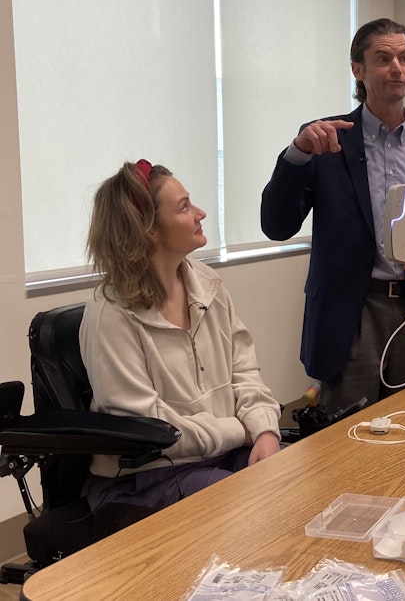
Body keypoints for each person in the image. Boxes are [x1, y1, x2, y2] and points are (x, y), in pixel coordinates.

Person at [260, 18, 405, 413]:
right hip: (348, 315)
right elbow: (276, 226)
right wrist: (296, 155)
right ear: (359, 69)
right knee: (345, 443)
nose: (396, 68)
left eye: (403, 57)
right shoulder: (325, 138)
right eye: (383, 58)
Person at [80, 160, 282, 511]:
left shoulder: (208, 285)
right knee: (257, 510)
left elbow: (245, 373)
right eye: (185, 207)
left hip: (223, 455)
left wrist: (264, 430)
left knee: (303, 482)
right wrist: (239, 430)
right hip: (147, 476)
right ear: (149, 230)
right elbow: (152, 430)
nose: (200, 213)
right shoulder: (111, 314)